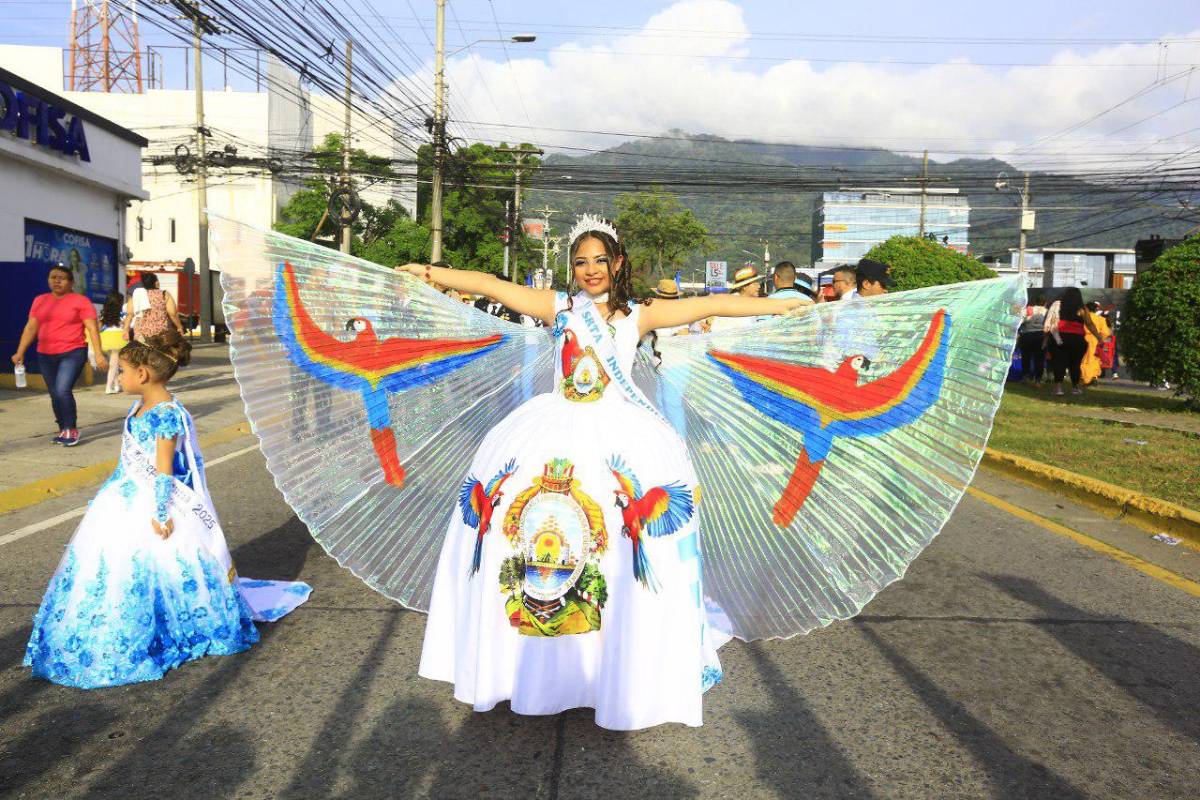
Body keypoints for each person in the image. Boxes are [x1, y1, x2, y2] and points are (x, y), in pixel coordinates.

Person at [399, 217, 804, 729]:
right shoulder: (560, 309)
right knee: (518, 531)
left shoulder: (640, 313)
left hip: (620, 434)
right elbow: (490, 284)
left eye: (599, 260)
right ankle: (532, 656)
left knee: (620, 544)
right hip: (552, 428)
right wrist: (432, 272)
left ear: (617, 263)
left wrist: (779, 304)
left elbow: (715, 304)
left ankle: (611, 657)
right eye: (580, 262)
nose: (590, 270)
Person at [23, 329, 311, 688]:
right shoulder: (140, 405)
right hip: (124, 494)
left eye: (124, 370)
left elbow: (164, 471)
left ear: (143, 375)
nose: (121, 377)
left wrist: (162, 514)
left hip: (152, 500)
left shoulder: (166, 415)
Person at [11, 265, 108, 447]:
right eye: (53, 277)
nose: (57, 281)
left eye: (62, 278)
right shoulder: (40, 300)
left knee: (62, 389)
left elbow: (92, 328)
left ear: (71, 282)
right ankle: (63, 427)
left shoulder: (80, 301)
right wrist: (20, 351)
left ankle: (71, 428)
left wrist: (98, 353)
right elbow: (31, 327)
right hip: (45, 354)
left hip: (73, 351)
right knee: (54, 393)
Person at [1043, 288, 1103, 396]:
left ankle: (1058, 388)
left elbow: (1051, 321)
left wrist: (1046, 338)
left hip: (1059, 338)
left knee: (1059, 362)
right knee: (1075, 364)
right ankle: (1075, 388)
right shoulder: (1081, 309)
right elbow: (1089, 324)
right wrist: (1099, 337)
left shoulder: (1058, 305)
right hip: (1077, 340)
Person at [125, 272, 185, 343]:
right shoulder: (164, 294)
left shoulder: (137, 295)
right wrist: (179, 327)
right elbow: (173, 314)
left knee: (141, 352)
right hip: (161, 333)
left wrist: (125, 330)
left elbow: (130, 314)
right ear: (156, 282)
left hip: (141, 334)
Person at [709, 265, 767, 333]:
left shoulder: (746, 303)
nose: (759, 286)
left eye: (758, 283)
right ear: (744, 287)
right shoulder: (733, 304)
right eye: (755, 284)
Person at [98, 291, 127, 394]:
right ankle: (108, 387)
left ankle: (116, 386)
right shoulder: (123, 314)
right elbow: (126, 326)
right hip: (119, 339)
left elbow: (99, 327)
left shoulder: (103, 313)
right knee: (113, 364)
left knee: (113, 363)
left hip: (105, 339)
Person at [1018, 293, 1048, 385]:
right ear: (1045, 303)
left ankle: (1025, 377)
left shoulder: (1028, 309)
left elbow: (1020, 321)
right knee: (1039, 359)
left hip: (1027, 335)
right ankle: (1038, 380)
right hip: (1041, 336)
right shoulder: (1047, 311)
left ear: (1035, 302)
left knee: (1026, 357)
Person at [1080, 301, 1111, 386]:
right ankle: (1094, 377)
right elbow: (1106, 332)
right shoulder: (1100, 319)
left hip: (1084, 339)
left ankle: (1086, 379)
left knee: (1085, 360)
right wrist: (1100, 339)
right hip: (1096, 341)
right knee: (1095, 359)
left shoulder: (1082, 317)